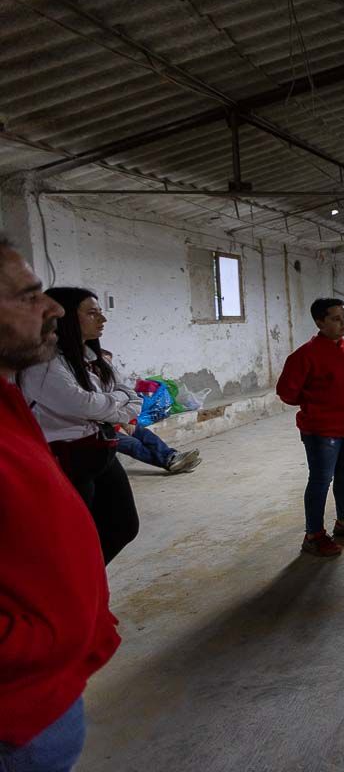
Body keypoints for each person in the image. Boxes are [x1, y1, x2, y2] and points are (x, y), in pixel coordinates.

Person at [0, 236, 121, 772]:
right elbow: (95, 404)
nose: (52, 309)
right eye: (28, 297)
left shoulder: (6, 403)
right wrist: (44, 642)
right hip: (17, 709)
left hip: (47, 689)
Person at [20, 287, 143, 565]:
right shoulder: (43, 363)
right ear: (63, 317)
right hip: (67, 459)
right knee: (74, 538)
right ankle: (74, 594)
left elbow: (133, 398)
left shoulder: (93, 358)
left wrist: (111, 405)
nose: (102, 320)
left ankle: (89, 587)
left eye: (100, 312)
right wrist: (115, 405)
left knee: (123, 526)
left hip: (101, 450)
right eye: (92, 313)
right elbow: (85, 405)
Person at [276, 298, 344, 557]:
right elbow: (286, 392)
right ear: (319, 322)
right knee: (320, 481)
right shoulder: (305, 355)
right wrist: (317, 403)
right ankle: (313, 535)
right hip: (322, 431)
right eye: (336, 319)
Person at [98, 351, 202, 474]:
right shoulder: (91, 386)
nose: (108, 367)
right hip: (98, 430)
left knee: (144, 434)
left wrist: (130, 420)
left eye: (110, 364)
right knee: (133, 444)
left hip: (115, 421)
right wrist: (120, 421)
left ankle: (172, 457)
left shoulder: (111, 383)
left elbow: (127, 401)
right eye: (104, 363)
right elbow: (99, 409)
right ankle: (172, 462)